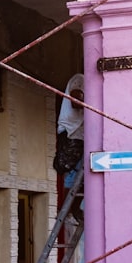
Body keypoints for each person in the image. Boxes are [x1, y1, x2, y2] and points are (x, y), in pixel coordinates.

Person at [53, 73, 85, 220]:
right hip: (71, 132)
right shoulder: (80, 79)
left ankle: (73, 207)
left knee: (82, 172)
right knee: (73, 171)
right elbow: (74, 100)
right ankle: (66, 208)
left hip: (80, 133)